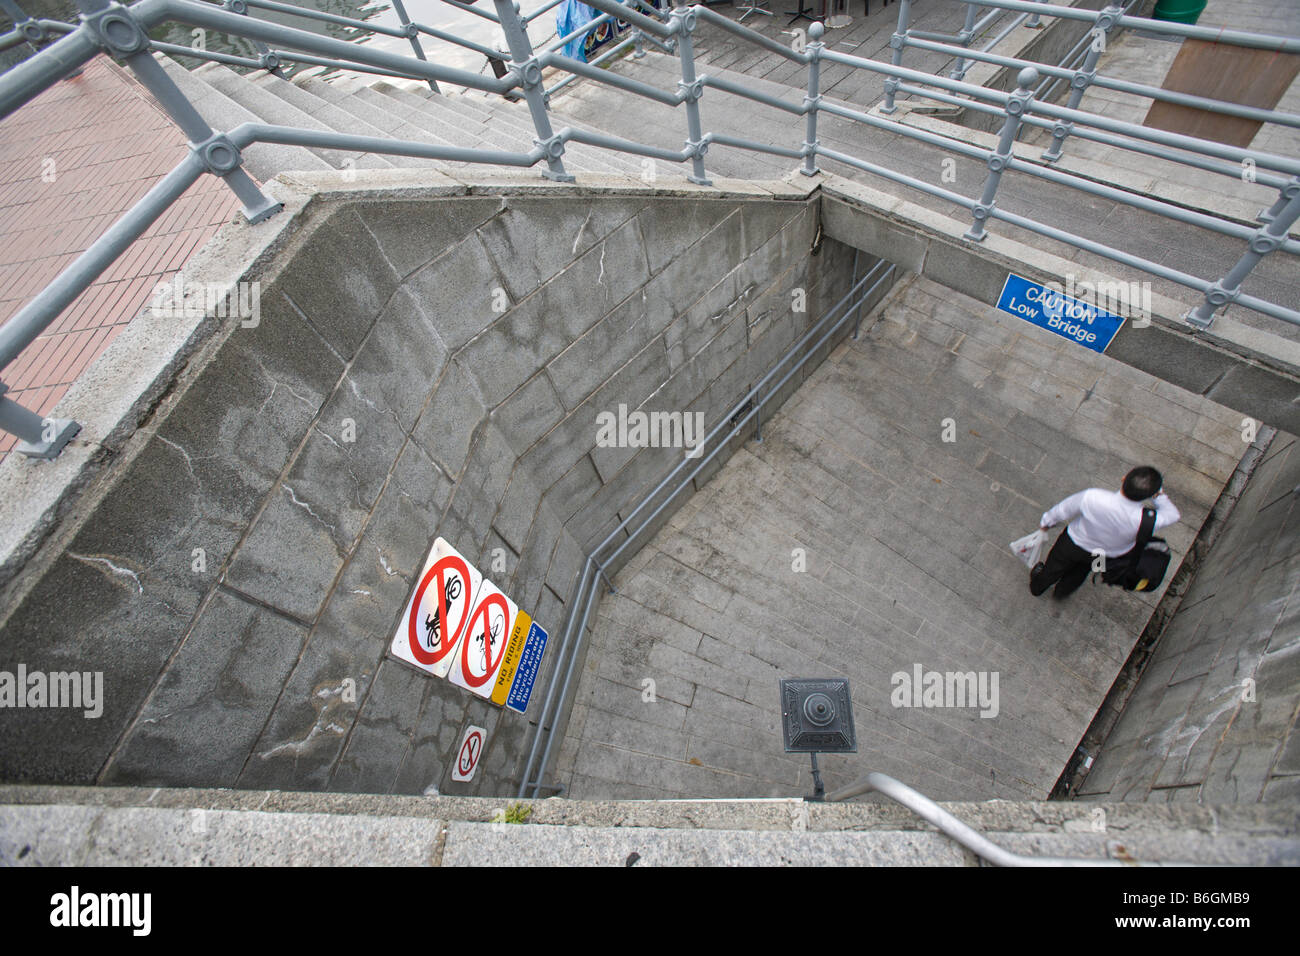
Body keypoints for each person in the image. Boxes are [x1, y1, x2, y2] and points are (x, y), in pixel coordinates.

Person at [1030, 466, 1180, 599]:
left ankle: (1038, 587)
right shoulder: (1149, 520)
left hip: (1072, 543)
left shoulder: (1093, 497)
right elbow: (1173, 515)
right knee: (1083, 572)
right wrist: (1158, 494)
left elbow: (1062, 510)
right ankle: (1063, 591)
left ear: (1123, 478)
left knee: (1054, 566)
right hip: (1104, 555)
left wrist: (1045, 524)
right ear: (1149, 495)